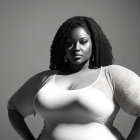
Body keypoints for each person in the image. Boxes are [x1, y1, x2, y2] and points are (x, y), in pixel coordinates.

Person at [7, 16, 140, 140]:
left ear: (94, 44)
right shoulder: (45, 78)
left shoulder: (111, 75)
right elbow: (14, 107)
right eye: (70, 43)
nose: (76, 48)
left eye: (83, 42)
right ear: (63, 47)